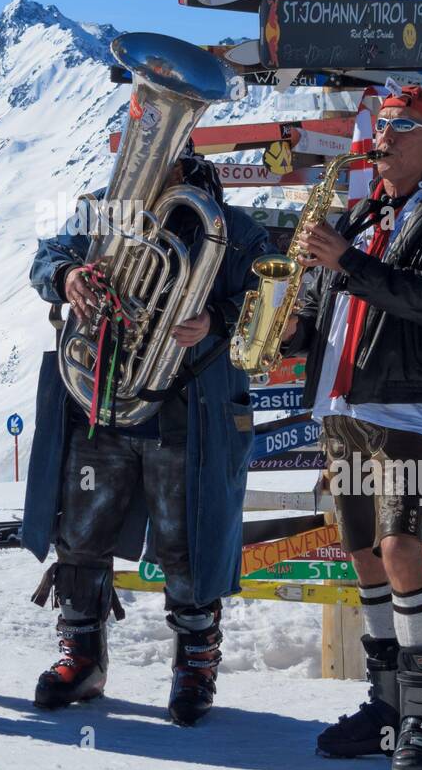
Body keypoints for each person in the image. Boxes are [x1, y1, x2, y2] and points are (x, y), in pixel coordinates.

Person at [281, 86, 422, 770]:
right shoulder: (360, 214)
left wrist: (345, 259)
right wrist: (289, 324)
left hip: (403, 405)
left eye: (397, 129)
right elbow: (320, 309)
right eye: (378, 128)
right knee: (364, 555)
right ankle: (385, 707)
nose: (379, 139)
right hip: (338, 404)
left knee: (402, 548)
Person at [22, 146, 269, 726]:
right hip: (102, 400)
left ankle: (194, 664)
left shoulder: (229, 228)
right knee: (79, 534)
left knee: (187, 544)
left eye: (159, 162)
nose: (143, 175)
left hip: (187, 411)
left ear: (182, 168)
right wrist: (68, 274)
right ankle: (82, 657)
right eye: (139, 160)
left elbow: (274, 298)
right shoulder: (101, 212)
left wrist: (218, 319)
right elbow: (44, 258)